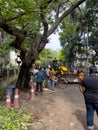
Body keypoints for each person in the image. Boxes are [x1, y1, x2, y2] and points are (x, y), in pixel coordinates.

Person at [79, 65, 98, 130]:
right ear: (96, 71)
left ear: (89, 71)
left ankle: (90, 128)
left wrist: (84, 93)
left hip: (88, 99)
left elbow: (80, 86)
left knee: (90, 113)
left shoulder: (85, 78)